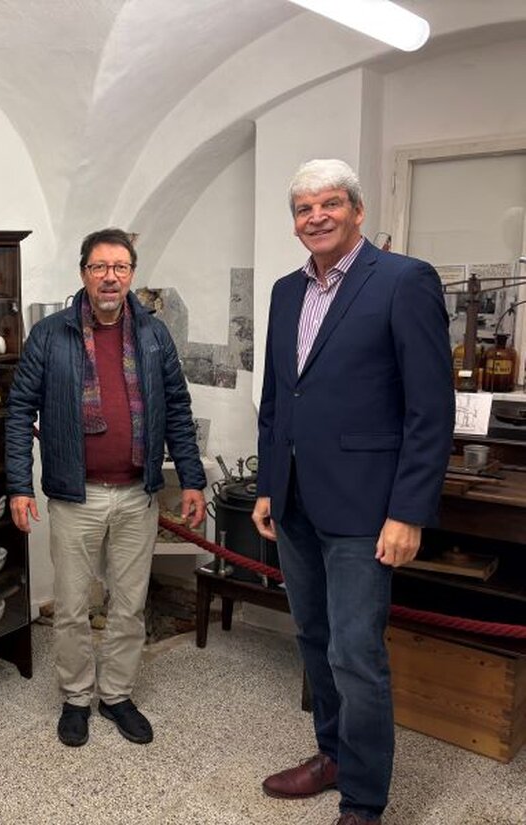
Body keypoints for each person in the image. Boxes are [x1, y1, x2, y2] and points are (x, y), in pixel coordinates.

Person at [252, 159, 454, 825]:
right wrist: (266, 484)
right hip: (296, 500)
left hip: (367, 508)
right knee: (313, 636)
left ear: (357, 210)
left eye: (329, 203)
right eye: (303, 208)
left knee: (356, 652)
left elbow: (430, 410)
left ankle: (364, 800)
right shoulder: (286, 291)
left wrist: (408, 512)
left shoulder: (403, 281)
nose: (316, 216)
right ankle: (333, 753)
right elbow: (279, 398)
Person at [6, 227, 206, 748]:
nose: (110, 276)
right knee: (72, 607)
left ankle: (116, 694)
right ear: (83, 274)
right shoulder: (50, 335)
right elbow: (18, 412)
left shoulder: (155, 335)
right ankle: (76, 697)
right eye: (99, 267)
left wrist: (192, 479)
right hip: (77, 496)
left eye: (120, 267)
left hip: (138, 493)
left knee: (129, 603)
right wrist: (18, 485)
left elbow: (179, 410)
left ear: (132, 275)